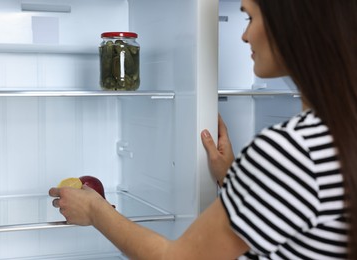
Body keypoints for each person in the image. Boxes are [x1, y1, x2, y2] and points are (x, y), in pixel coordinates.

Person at [49, 0, 357, 258]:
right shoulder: (334, 134)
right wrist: (234, 175)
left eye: (250, 17)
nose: (244, 36)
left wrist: (95, 211)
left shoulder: (290, 150)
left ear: (293, 23)